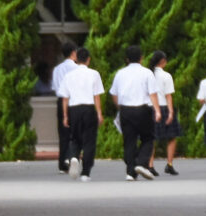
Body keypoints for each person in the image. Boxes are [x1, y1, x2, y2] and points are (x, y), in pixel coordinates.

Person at [111, 45, 159, 181]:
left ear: (126, 59)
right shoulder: (147, 73)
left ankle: (130, 172)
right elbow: (153, 94)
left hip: (126, 109)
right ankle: (141, 163)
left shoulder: (120, 73)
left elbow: (114, 94)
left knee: (129, 140)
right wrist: (157, 110)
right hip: (143, 109)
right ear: (141, 58)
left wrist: (120, 107)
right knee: (148, 138)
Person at [61, 47, 103, 180]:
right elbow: (96, 96)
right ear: (88, 60)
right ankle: (85, 172)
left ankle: (74, 157)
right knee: (89, 140)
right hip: (89, 108)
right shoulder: (94, 74)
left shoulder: (69, 76)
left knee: (75, 138)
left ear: (76, 59)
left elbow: (65, 98)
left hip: (74, 109)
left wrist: (65, 115)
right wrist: (99, 113)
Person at [149, 51, 181, 175]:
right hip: (163, 107)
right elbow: (169, 96)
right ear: (163, 61)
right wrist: (171, 112)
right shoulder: (166, 76)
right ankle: (169, 164)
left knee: (151, 138)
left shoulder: (148, 74)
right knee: (172, 137)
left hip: (150, 107)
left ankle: (150, 164)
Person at [51, 42, 79, 174]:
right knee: (75, 131)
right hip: (74, 101)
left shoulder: (57, 69)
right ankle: (72, 157)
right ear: (73, 53)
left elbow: (56, 88)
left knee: (63, 132)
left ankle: (63, 163)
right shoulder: (77, 69)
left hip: (61, 100)